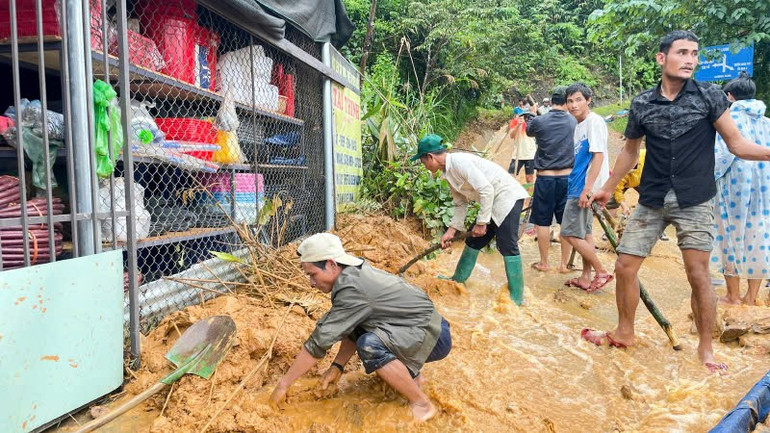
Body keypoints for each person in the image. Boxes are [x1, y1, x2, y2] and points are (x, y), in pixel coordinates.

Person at [586, 30, 770, 373]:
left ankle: (706, 349)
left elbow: (737, 144)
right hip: (652, 197)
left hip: (695, 198)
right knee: (625, 266)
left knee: (698, 274)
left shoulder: (709, 96)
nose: (690, 59)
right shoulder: (642, 103)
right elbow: (630, 151)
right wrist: (608, 188)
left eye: (694, 54)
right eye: (682, 52)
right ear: (661, 58)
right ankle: (624, 331)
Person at [270, 233, 452, 422]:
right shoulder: (352, 273)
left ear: (332, 264)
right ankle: (414, 378)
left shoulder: (353, 289)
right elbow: (352, 326)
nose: (311, 283)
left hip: (433, 337)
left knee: (370, 346)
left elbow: (320, 341)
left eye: (313, 274)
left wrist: (283, 385)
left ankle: (423, 405)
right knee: (366, 335)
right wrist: (337, 367)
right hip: (421, 328)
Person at [412, 134, 530, 305]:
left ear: (430, 157)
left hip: (507, 197)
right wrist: (451, 231)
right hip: (490, 202)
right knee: (474, 241)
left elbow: (487, 190)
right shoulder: (447, 173)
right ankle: (457, 280)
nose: (425, 167)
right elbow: (460, 204)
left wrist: (482, 223)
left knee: (507, 244)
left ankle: (517, 298)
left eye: (423, 162)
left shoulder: (460, 163)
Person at [712, 72, 770, 306]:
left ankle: (733, 296)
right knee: (759, 235)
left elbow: (722, 156)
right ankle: (751, 297)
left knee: (729, 236)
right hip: (764, 190)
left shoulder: (729, 118)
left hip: (733, 188)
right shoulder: (767, 122)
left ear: (730, 96)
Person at [560, 82, 612, 292]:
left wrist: (587, 188)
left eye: (578, 100)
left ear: (589, 100)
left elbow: (598, 155)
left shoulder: (594, 122)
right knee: (585, 233)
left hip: (584, 186)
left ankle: (601, 271)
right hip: (578, 183)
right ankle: (585, 276)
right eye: (570, 101)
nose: (574, 105)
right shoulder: (579, 125)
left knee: (568, 233)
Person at [525, 86, 576, 273]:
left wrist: (531, 114)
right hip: (568, 179)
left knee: (543, 222)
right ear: (566, 101)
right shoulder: (573, 121)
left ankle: (544, 263)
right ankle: (564, 265)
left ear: (551, 102)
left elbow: (529, 131)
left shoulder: (540, 120)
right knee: (566, 222)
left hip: (545, 179)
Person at [508, 107, 536, 184]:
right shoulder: (515, 122)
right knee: (511, 176)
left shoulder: (531, 123)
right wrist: (518, 125)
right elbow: (511, 135)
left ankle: (529, 194)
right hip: (517, 154)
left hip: (530, 154)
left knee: (529, 178)